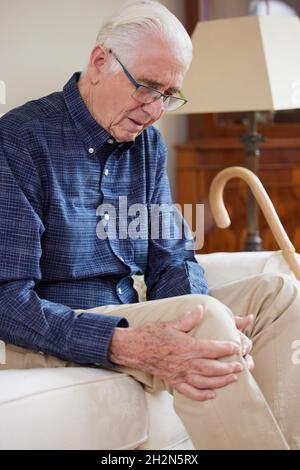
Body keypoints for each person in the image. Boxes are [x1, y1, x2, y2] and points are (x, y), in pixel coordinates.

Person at [0, 0, 299, 450]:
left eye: (169, 94)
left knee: (278, 293)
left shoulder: (147, 146)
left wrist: (190, 308)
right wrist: (122, 343)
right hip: (58, 325)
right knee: (208, 321)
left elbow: (172, 257)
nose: (156, 109)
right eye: (147, 87)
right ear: (100, 61)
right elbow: (7, 301)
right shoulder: (19, 140)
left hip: (130, 308)